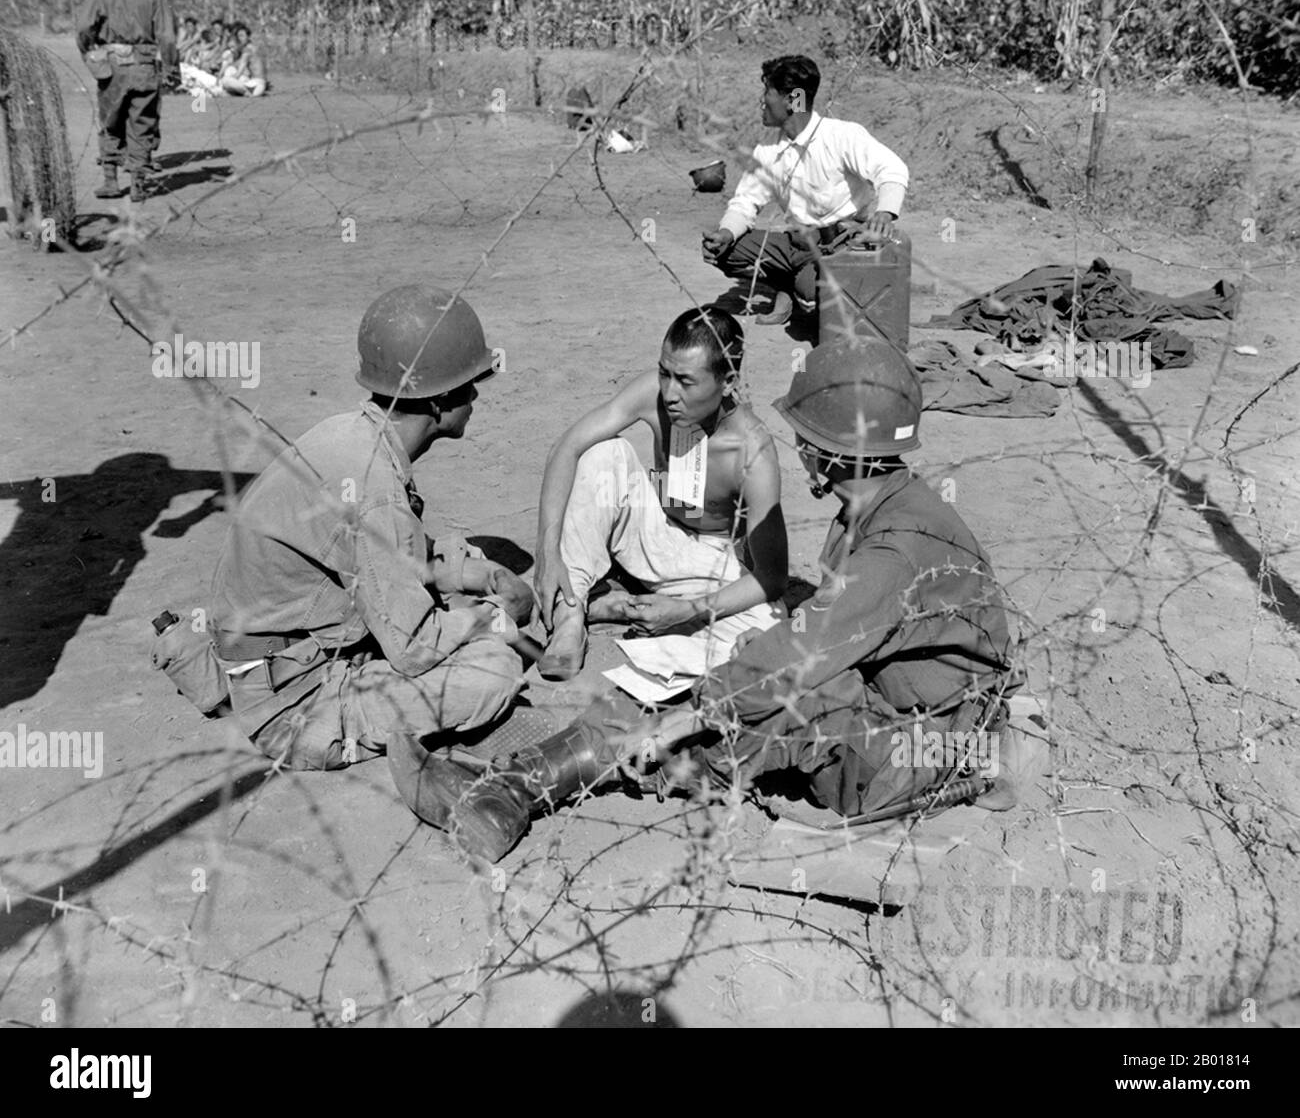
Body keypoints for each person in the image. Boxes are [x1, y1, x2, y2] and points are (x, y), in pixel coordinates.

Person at [426, 338, 1025, 862]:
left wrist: (694, 713)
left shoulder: (893, 550)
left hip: (916, 750)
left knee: (749, 706)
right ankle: (526, 780)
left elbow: (802, 653)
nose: (798, 447)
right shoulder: (888, 506)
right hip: (918, 717)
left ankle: (518, 792)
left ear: (830, 448)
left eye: (805, 435)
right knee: (751, 672)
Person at [207, 286, 531, 772]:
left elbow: (391, 558)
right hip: (291, 703)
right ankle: (347, 735)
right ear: (441, 402)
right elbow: (416, 648)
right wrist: (493, 616)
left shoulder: (353, 434)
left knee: (460, 570)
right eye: (469, 385)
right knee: (495, 671)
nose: (477, 395)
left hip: (285, 650)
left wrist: (467, 576)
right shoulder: (372, 488)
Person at [532, 305, 787, 681]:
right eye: (664, 373)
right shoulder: (652, 394)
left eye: (685, 381)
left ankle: (624, 606)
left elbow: (772, 578)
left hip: (708, 562)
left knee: (770, 626)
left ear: (728, 381)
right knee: (604, 452)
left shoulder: (753, 450)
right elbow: (566, 447)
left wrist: (691, 610)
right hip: (653, 528)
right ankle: (571, 613)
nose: (669, 392)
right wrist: (548, 551)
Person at [701, 54, 910, 325]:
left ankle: (804, 288)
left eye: (768, 92)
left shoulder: (841, 136)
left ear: (793, 100)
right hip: (795, 244)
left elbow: (892, 169)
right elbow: (745, 203)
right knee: (727, 251)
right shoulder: (767, 149)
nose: (762, 101)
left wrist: (885, 213)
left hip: (838, 245)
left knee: (821, 300)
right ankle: (787, 284)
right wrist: (726, 233)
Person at [77, 0, 177, 203]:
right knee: (142, 121)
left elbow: (83, 27)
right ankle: (138, 184)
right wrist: (172, 69)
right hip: (144, 64)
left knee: (110, 120)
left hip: (111, 65)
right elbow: (167, 36)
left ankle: (110, 181)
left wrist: (90, 53)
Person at [220, 22, 269, 97]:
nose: (240, 39)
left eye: (242, 36)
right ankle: (243, 92)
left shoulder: (247, 50)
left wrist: (223, 82)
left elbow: (239, 73)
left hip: (256, 84)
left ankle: (245, 91)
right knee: (230, 73)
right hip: (257, 84)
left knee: (225, 81)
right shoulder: (252, 47)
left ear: (248, 37)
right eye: (238, 36)